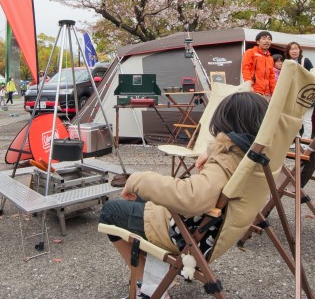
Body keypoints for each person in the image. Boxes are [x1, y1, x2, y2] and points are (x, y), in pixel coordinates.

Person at [99, 92, 268, 297]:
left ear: (225, 121)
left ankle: (151, 286)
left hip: (185, 232)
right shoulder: (255, 157)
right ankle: (156, 270)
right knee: (145, 197)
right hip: (208, 228)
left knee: (110, 211)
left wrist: (136, 179)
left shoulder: (227, 161)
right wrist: (214, 152)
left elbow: (191, 197)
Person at [285, 42, 315, 141]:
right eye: (292, 49)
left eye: (296, 48)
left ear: (300, 50)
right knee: (293, 119)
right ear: (288, 51)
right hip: (292, 94)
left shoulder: (305, 61)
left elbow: (314, 77)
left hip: (306, 93)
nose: (294, 51)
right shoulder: (286, 62)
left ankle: (306, 141)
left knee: (306, 120)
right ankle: (295, 140)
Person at [241, 31, 276, 99]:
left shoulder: (270, 58)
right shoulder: (250, 52)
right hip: (254, 91)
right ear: (258, 42)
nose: (267, 41)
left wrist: (274, 92)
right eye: (264, 38)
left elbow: (271, 77)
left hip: (266, 93)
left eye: (269, 39)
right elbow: (246, 69)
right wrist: (249, 86)